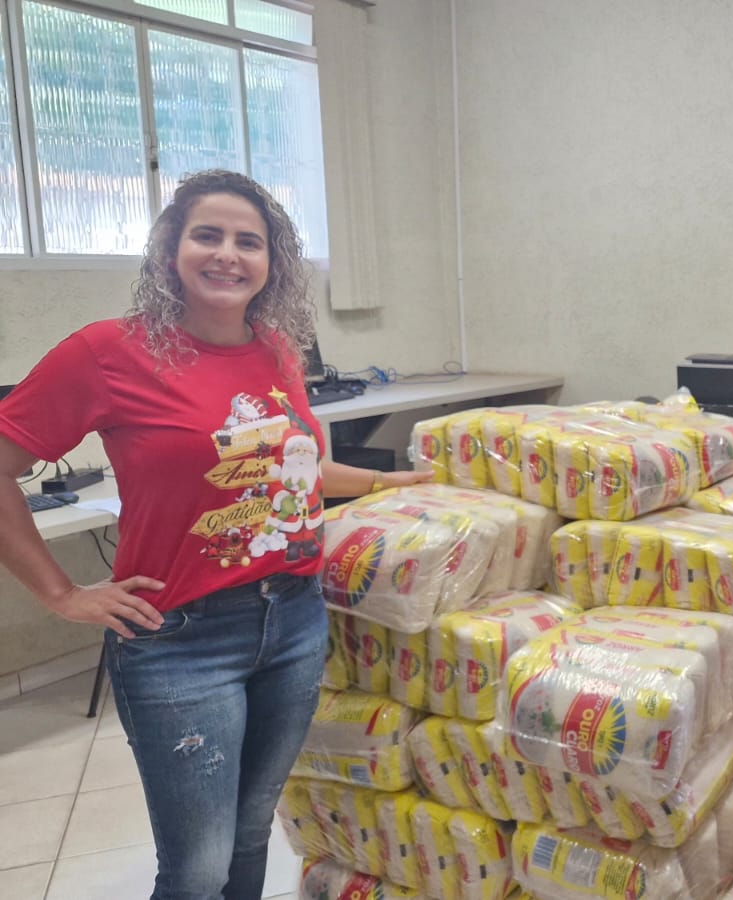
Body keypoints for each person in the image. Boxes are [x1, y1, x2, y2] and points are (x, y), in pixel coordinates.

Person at [0, 169, 430, 900]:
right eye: (208, 235)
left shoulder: (277, 349)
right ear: (171, 248)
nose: (228, 254)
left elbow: (295, 465)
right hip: (179, 638)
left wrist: (388, 484)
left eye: (248, 241)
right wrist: (62, 594)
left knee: (253, 829)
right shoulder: (108, 351)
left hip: (293, 620)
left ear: (272, 261)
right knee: (197, 867)